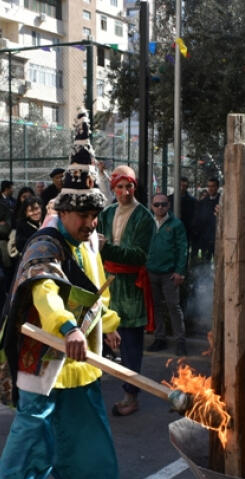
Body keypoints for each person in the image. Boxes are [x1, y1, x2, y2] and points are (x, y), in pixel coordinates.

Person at [0, 109, 122, 479]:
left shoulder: (88, 242)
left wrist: (107, 328)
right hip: (44, 351)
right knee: (34, 427)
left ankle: (89, 478)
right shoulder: (45, 244)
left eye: (95, 217)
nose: (90, 224)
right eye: (84, 217)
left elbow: (96, 295)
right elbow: (45, 294)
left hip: (79, 352)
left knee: (86, 418)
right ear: (65, 212)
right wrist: (68, 328)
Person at [98, 165, 155, 416]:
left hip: (131, 287)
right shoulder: (107, 213)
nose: (124, 191)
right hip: (106, 283)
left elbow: (138, 256)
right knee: (98, 337)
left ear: (135, 187)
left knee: (131, 344)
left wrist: (106, 248)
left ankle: (131, 396)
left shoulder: (144, 217)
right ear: (113, 188)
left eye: (128, 186)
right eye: (119, 186)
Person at [145, 192, 188, 356]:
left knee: (173, 306)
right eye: (157, 205)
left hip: (169, 273)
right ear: (152, 206)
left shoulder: (176, 224)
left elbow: (183, 249)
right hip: (151, 271)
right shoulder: (148, 222)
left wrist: (180, 272)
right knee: (156, 307)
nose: (160, 207)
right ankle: (160, 338)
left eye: (163, 204)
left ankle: (180, 341)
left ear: (168, 206)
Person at [189, 177, 220, 260]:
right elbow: (198, 219)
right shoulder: (202, 202)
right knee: (204, 261)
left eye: (213, 186)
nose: (210, 189)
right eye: (209, 186)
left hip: (217, 237)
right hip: (205, 238)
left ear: (217, 187)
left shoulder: (222, 200)